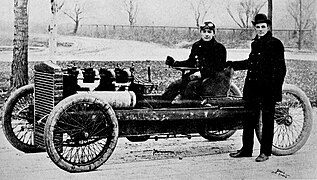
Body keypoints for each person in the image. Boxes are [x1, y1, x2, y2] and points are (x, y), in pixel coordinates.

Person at [227, 13, 286, 162]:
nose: (260, 29)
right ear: (254, 27)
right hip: (252, 88)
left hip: (267, 90)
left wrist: (275, 90)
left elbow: (281, 69)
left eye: (263, 27)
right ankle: (247, 149)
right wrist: (233, 64)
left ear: (268, 27)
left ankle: (265, 152)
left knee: (267, 121)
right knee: (248, 120)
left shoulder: (275, 43)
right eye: (258, 27)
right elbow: (251, 63)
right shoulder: (255, 43)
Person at [163, 21, 229, 103]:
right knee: (175, 85)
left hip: (211, 79)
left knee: (190, 87)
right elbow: (190, 62)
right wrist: (175, 63)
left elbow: (219, 67)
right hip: (194, 76)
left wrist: (202, 73)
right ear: (200, 33)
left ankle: (187, 110)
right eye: (204, 32)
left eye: (209, 32)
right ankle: (161, 107)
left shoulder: (219, 48)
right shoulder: (197, 46)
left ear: (214, 33)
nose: (206, 34)